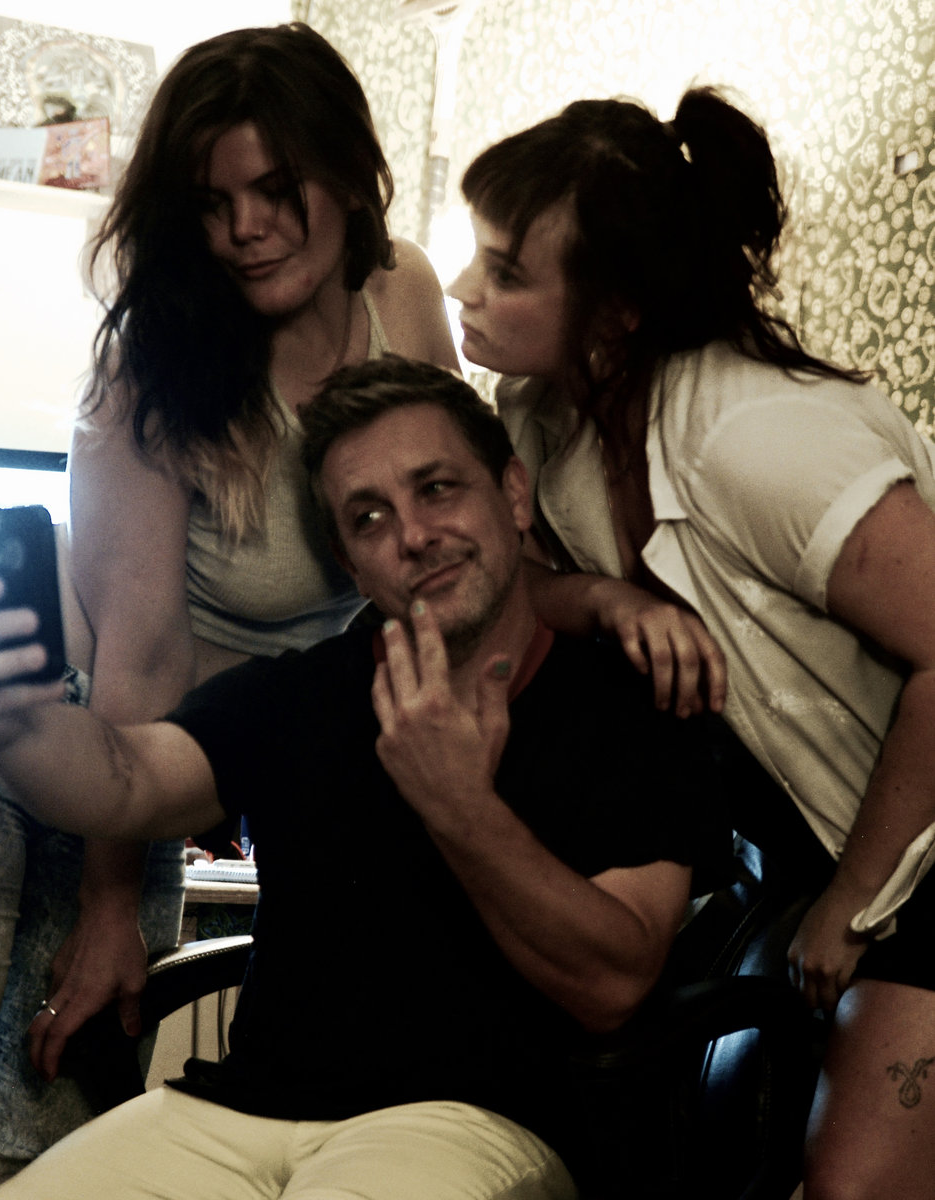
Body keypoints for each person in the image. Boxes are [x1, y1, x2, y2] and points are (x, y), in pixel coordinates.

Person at [0, 23, 457, 1200]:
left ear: (348, 175)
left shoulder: (400, 292)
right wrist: (110, 905)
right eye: (212, 202)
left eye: (275, 189)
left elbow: (443, 528)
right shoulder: (159, 359)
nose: (245, 228)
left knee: (61, 1132)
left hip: (131, 756)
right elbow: (140, 648)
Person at [0, 354, 731, 1200]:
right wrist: (12, 729)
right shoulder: (305, 693)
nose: (414, 536)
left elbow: (613, 985)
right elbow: (125, 780)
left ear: (512, 494)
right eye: (369, 517)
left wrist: (458, 805)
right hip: (234, 1114)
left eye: (437, 489)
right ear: (349, 562)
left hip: (470, 1123)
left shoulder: (630, 703)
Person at [447, 86, 935, 1200]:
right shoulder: (545, 419)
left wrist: (854, 902)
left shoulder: (760, 441)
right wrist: (602, 600)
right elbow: (518, 588)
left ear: (614, 313)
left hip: (917, 845)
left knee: (853, 1185)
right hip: (809, 849)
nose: (463, 289)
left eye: (505, 272)